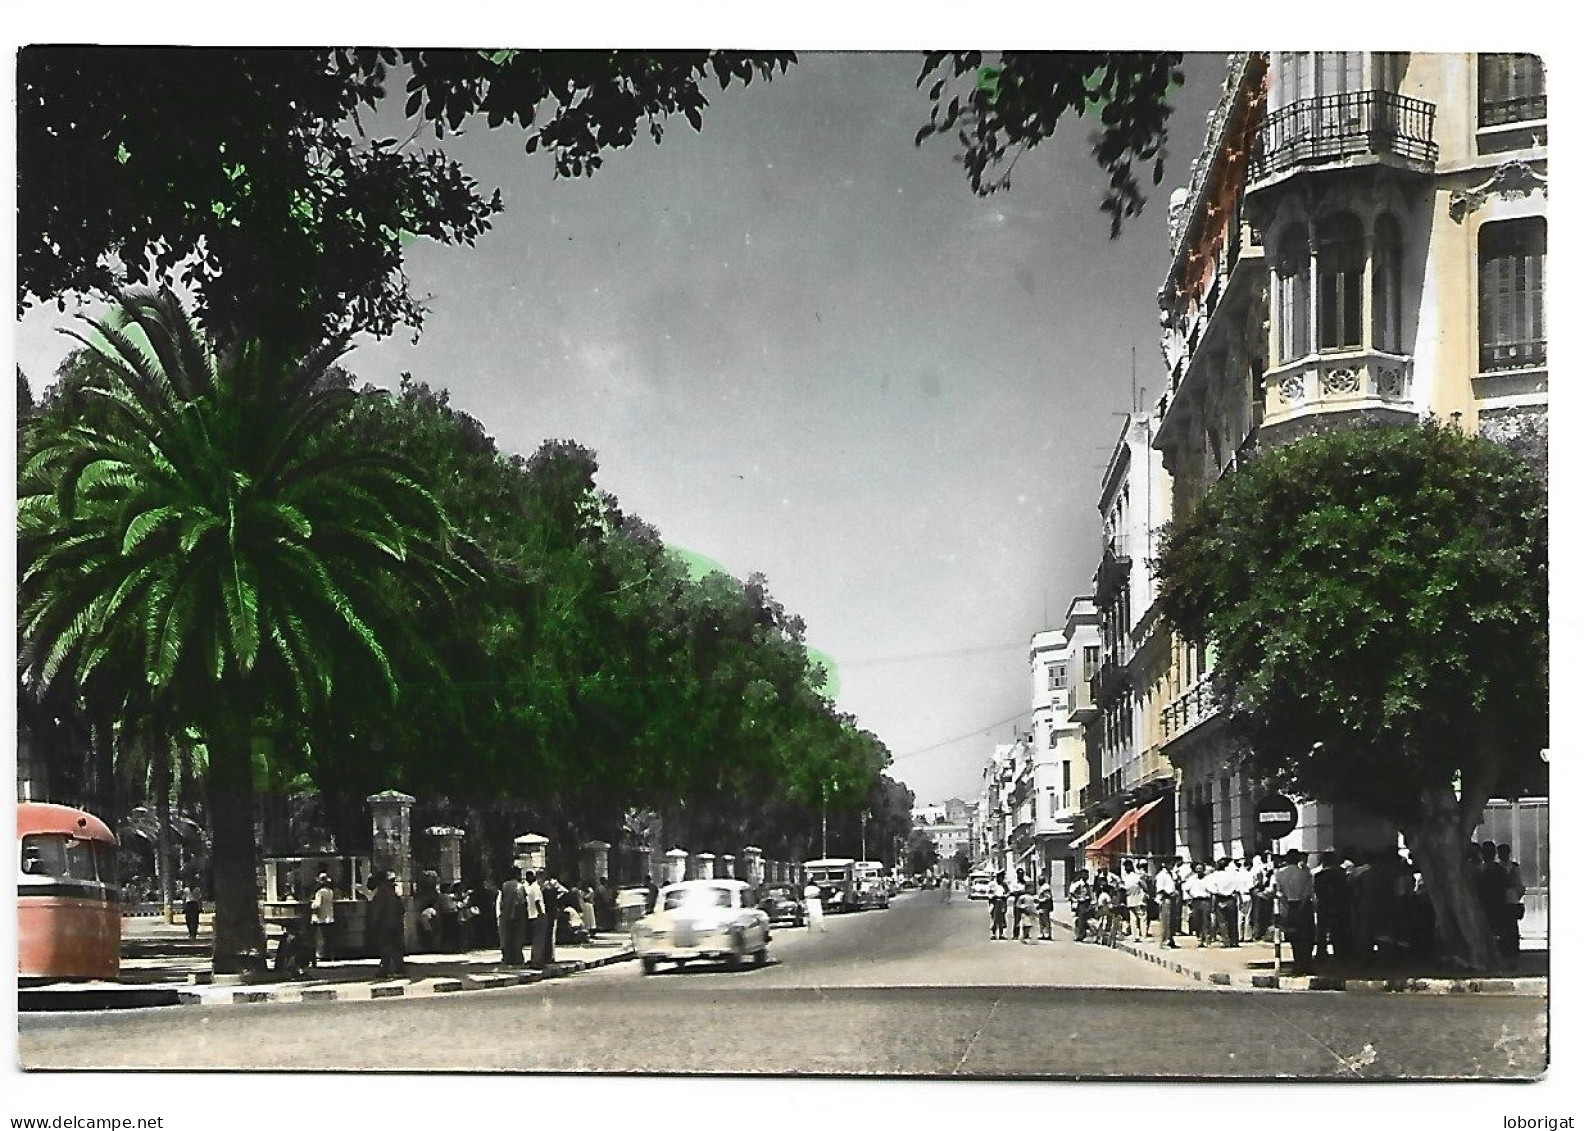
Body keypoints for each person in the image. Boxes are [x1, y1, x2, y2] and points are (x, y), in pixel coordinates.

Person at [1272, 849, 1315, 975]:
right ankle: (1306, 964)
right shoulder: (1305, 873)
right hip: (1304, 906)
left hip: (1288, 906)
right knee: (1307, 937)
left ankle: (1297, 963)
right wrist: (1301, 906)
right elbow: (1308, 893)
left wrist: (1287, 905)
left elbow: (1278, 892)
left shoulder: (1279, 873)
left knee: (1293, 937)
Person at [1312, 850, 1351, 963]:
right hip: (1339, 905)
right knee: (1339, 930)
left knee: (1321, 931)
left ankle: (1321, 953)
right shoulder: (1341, 874)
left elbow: (1317, 891)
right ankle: (1340, 954)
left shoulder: (1319, 876)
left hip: (1324, 904)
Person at [369, 870, 406, 979]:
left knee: (386, 947)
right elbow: (402, 909)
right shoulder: (394, 893)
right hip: (397, 924)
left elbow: (377, 909)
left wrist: (374, 922)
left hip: (386, 924)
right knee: (396, 947)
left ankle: (385, 969)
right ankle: (399, 968)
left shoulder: (382, 892)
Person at [1496, 844, 1525, 962]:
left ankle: (1513, 948)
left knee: (1511, 926)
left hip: (1511, 900)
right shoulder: (1500, 868)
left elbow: (1519, 885)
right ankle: (1507, 948)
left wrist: (1517, 895)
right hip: (1504, 900)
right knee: (1505, 926)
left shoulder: (1514, 868)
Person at [497, 868, 526, 965]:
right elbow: (521, 901)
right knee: (518, 937)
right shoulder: (520, 886)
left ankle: (508, 958)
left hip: (506, 915)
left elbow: (502, 901)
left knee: (507, 937)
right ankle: (518, 958)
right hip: (517, 915)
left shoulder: (505, 885)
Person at [309, 872, 336, 966]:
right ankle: (329, 955)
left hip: (321, 918)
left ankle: (321, 955)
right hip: (330, 917)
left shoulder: (320, 892)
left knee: (320, 938)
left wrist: (312, 904)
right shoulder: (330, 891)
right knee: (329, 938)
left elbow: (317, 904)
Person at [1184, 862, 1213, 947]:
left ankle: (1207, 939)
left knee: (1206, 921)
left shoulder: (1208, 879)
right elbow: (1185, 888)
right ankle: (1199, 939)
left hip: (1205, 900)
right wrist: (1189, 899)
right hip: (1195, 901)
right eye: (1197, 869)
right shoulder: (1192, 879)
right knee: (1197, 921)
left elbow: (1212, 889)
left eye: (1201, 869)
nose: (1199, 871)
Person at [1154, 861, 1179, 949]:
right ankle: (1164, 941)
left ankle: (1170, 939)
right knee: (1166, 921)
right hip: (1166, 899)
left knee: (1172, 921)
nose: (1171, 864)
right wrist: (1170, 894)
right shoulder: (1161, 875)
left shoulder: (1171, 874)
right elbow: (1160, 889)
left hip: (1172, 898)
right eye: (1170, 862)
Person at [1122, 860, 1147, 939]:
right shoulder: (1137, 876)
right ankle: (1143, 935)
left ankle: (1135, 935)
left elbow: (1125, 889)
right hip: (1139, 900)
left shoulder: (1126, 878)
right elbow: (1145, 887)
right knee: (1142, 918)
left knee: (1133, 919)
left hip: (1130, 901)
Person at [1068, 872, 1093, 943]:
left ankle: (1082, 934)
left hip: (1086, 903)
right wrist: (1076, 899)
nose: (1087, 876)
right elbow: (1071, 893)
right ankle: (1079, 935)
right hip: (1080, 903)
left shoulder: (1087, 885)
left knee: (1084, 919)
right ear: (1082, 875)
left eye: (1087, 875)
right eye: (1085, 875)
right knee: (1080, 919)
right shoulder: (1078, 884)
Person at [989, 873, 1009, 940]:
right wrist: (993, 896)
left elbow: (1008, 892)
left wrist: (1005, 896)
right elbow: (989, 893)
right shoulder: (992, 884)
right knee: (994, 919)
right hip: (994, 902)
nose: (1001, 878)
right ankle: (993, 934)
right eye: (1000, 877)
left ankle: (1001, 934)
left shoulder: (1004, 884)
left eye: (1002, 877)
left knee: (1001, 920)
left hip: (1002, 902)